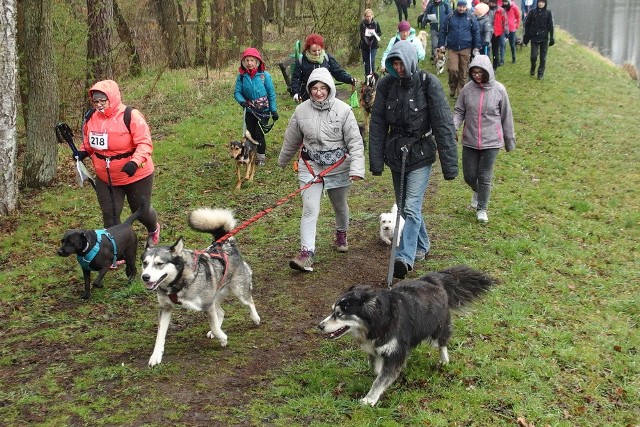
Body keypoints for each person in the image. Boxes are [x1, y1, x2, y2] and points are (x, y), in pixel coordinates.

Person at [368, 40, 458, 280]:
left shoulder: (429, 84)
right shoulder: (386, 85)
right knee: (406, 204)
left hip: (421, 154)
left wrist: (449, 164)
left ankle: (404, 257)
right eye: (394, 63)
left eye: (401, 63)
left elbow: (443, 123)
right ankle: (422, 245)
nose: (398, 68)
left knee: (409, 207)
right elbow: (377, 124)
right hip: (396, 155)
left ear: (411, 61)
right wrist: (376, 161)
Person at [278, 68, 365, 273]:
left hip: (338, 167)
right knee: (309, 209)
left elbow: (355, 142)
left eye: (322, 88)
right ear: (309, 89)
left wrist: (357, 169)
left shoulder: (344, 111)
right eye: (314, 88)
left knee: (339, 205)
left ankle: (341, 233)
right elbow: (291, 139)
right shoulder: (301, 111)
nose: (318, 92)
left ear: (330, 89)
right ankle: (306, 253)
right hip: (311, 166)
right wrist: (283, 160)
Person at [79, 79, 160, 244]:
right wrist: (82, 152)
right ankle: (115, 249)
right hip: (105, 176)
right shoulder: (91, 117)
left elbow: (145, 143)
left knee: (140, 211)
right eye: (96, 101)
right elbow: (89, 142)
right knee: (110, 214)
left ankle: (153, 228)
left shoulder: (130, 115)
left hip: (135, 174)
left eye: (103, 100)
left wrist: (135, 162)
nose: (99, 105)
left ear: (113, 98)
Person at [453, 55, 515, 223]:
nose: (477, 75)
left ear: (488, 72)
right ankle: (477, 191)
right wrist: (453, 127)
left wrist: (509, 140)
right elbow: (459, 111)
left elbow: (506, 116)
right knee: (469, 176)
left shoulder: (499, 90)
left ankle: (482, 208)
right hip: (470, 139)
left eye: (480, 72)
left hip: (491, 141)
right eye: (474, 72)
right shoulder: (467, 89)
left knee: (485, 175)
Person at [234, 47, 278, 166]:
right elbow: (237, 92)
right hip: (249, 110)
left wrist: (273, 110)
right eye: (247, 60)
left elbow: (271, 93)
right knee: (251, 133)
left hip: (264, 110)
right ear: (244, 62)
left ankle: (261, 156)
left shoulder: (264, 76)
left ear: (257, 62)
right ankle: (251, 153)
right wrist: (242, 101)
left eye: (252, 60)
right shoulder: (241, 77)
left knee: (259, 133)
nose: (249, 63)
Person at [290, 34, 355, 103]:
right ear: (308, 49)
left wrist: (349, 79)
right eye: (314, 51)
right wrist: (296, 92)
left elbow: (338, 72)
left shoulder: (327, 58)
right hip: (307, 96)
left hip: (326, 95)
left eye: (319, 50)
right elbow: (296, 79)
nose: (317, 53)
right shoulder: (301, 61)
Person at [438, 0, 481, 97]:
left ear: (466, 7)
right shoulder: (450, 16)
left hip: (466, 47)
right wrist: (441, 44)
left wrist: (476, 47)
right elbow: (443, 30)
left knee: (463, 71)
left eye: (463, 7)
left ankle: (461, 92)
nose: (461, 8)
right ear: (457, 6)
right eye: (460, 6)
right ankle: (452, 87)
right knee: (453, 70)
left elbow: (476, 32)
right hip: (452, 48)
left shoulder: (471, 17)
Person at [523, 0, 554, 80]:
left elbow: (551, 26)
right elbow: (527, 24)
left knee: (543, 57)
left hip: (544, 38)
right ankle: (533, 67)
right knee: (534, 56)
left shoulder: (548, 13)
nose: (541, 4)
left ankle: (540, 73)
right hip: (534, 37)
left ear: (545, 3)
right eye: (539, 2)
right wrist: (526, 36)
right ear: (537, 3)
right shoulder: (532, 12)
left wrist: (552, 38)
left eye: (543, 2)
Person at [359, 9, 382, 78]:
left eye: (370, 16)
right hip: (365, 46)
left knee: (371, 61)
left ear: (372, 16)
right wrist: (367, 40)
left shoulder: (375, 23)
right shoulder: (362, 24)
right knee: (366, 63)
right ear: (365, 16)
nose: (368, 18)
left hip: (373, 45)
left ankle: (373, 77)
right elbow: (362, 35)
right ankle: (367, 77)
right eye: (367, 16)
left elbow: (380, 32)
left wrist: (374, 34)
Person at [488, 0, 508, 69]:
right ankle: (487, 64)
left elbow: (505, 21)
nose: (492, 4)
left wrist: (506, 31)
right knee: (487, 50)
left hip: (497, 33)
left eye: (493, 2)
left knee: (495, 50)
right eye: (491, 2)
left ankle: (495, 66)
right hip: (488, 32)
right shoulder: (486, 9)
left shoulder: (501, 10)